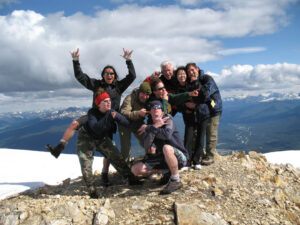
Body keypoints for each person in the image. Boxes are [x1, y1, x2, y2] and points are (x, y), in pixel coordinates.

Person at [46, 47, 136, 185]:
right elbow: (80, 77)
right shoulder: (97, 85)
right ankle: (59, 148)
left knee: (108, 150)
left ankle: (104, 174)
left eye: (111, 73)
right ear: (103, 75)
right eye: (106, 73)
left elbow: (132, 76)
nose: (109, 75)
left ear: (114, 75)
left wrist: (128, 60)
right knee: (74, 123)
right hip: (94, 116)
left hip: (108, 120)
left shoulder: (119, 86)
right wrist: (76, 61)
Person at [77, 89, 141, 198]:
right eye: (105, 101)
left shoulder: (110, 112)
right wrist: (110, 116)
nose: (109, 103)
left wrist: (140, 127)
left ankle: (131, 178)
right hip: (86, 137)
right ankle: (91, 189)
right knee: (86, 162)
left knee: (116, 156)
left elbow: (124, 121)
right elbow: (95, 128)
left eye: (109, 100)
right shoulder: (92, 113)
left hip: (101, 137)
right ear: (98, 105)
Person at [131, 100, 189, 195]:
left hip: (180, 158)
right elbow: (146, 146)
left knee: (166, 147)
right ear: (150, 112)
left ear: (162, 111)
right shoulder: (150, 126)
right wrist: (154, 126)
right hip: (162, 158)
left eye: (158, 107)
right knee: (135, 169)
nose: (156, 109)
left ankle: (175, 180)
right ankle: (167, 172)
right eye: (153, 108)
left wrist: (151, 128)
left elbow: (167, 135)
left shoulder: (168, 119)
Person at [186, 62, 222, 166]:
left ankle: (210, 156)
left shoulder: (207, 78)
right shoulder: (191, 82)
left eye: (192, 70)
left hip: (214, 109)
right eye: (189, 72)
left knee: (211, 132)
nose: (191, 73)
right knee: (197, 133)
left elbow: (205, 94)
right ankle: (198, 154)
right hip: (201, 111)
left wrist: (196, 83)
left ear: (197, 69)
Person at [119, 82, 152, 163]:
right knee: (125, 147)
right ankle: (126, 168)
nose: (144, 97)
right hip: (124, 123)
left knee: (147, 140)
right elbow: (123, 112)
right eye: (142, 93)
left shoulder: (148, 101)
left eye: (147, 95)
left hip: (138, 123)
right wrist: (138, 113)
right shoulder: (130, 98)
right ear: (139, 92)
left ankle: (150, 162)